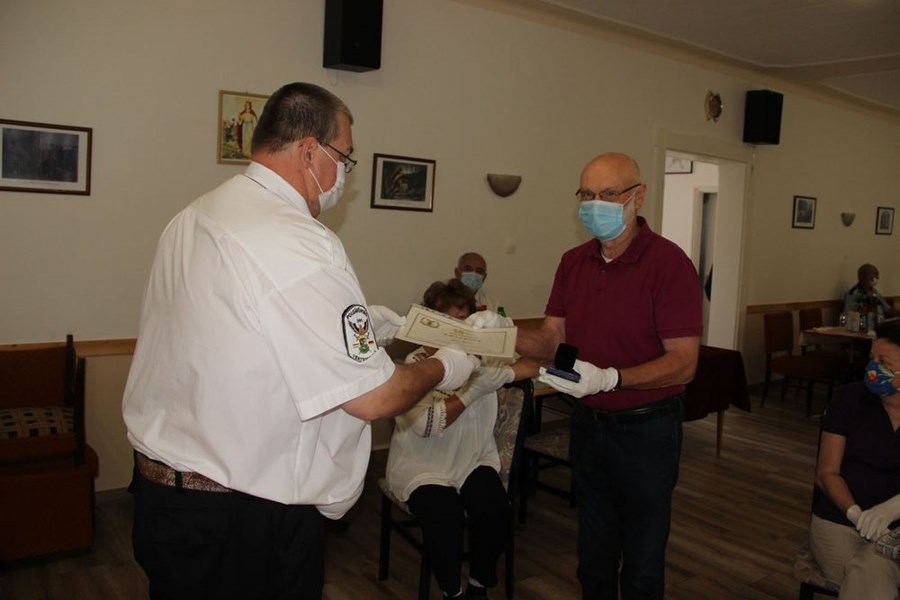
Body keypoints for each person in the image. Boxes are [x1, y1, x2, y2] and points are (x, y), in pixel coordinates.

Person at [122, 82, 479, 600]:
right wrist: (448, 365)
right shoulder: (297, 238)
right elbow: (376, 397)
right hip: (241, 519)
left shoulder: (194, 215)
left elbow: (243, 329)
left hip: (166, 500)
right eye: (345, 158)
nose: (344, 178)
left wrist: (366, 324)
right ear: (310, 150)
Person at [512, 152, 702, 599]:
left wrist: (613, 378)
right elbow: (552, 340)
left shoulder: (668, 263)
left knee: (642, 562)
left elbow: (684, 361)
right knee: (593, 555)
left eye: (608, 194)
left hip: (647, 430)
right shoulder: (573, 262)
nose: (594, 204)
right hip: (589, 425)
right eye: (586, 194)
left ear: (638, 196)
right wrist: (502, 334)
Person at [386, 279, 536, 599]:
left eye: (462, 320)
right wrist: (472, 392)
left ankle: (479, 586)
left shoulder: (482, 361)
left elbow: (529, 366)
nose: (455, 330)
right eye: (446, 321)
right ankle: (451, 591)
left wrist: (510, 336)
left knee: (494, 507)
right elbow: (426, 425)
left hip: (471, 458)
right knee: (446, 515)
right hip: (422, 464)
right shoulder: (416, 366)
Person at [810, 318, 900, 599]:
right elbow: (827, 473)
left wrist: (892, 510)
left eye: (884, 362)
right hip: (839, 522)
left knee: (872, 567)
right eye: (872, 358)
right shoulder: (850, 399)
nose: (873, 369)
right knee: (872, 574)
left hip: (896, 530)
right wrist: (855, 513)